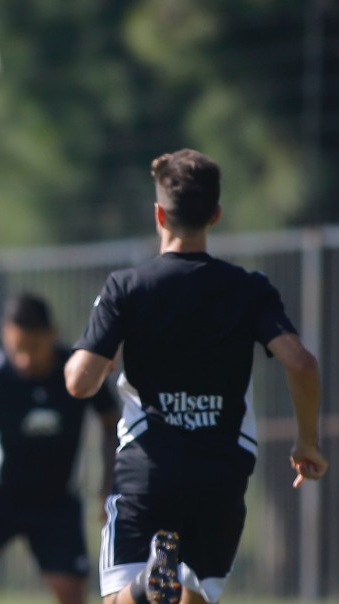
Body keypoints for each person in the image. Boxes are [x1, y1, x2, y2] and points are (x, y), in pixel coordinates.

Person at [64, 148, 328, 604]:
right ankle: (160, 583)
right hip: (221, 475)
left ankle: (144, 586)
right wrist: (306, 443)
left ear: (159, 214)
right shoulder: (250, 289)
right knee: (194, 595)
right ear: (216, 215)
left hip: (149, 471)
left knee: (121, 598)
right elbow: (302, 363)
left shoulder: (127, 288)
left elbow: (79, 383)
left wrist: (102, 358)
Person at [0, 292, 118, 604]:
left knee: (72, 593)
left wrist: (108, 483)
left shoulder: (75, 371)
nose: (25, 359)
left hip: (55, 501)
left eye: (34, 347)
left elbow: (110, 420)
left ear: (52, 334)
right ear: (5, 336)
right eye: (17, 348)